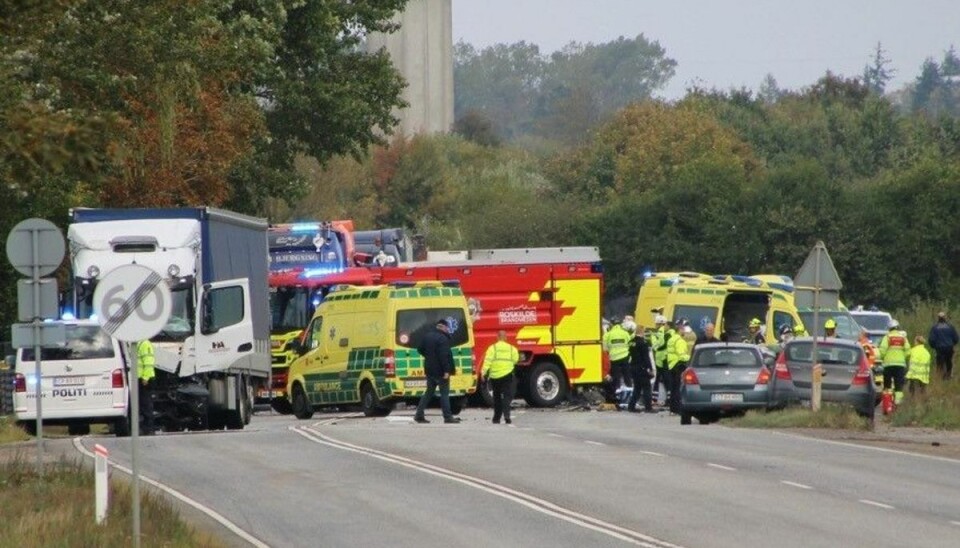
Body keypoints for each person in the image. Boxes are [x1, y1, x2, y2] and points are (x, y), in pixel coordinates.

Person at [414, 318, 460, 424]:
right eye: (447, 328)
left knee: (428, 393)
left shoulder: (427, 336)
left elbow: (419, 349)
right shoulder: (443, 339)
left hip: (430, 370)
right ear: (443, 327)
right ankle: (448, 417)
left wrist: (429, 357)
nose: (448, 330)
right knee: (444, 394)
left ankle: (419, 415)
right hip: (441, 372)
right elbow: (444, 356)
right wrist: (446, 371)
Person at [481, 330, 519, 424]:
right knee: (506, 396)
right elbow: (515, 360)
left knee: (497, 397)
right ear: (506, 338)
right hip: (507, 375)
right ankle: (507, 416)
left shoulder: (492, 348)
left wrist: (483, 373)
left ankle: (496, 418)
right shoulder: (512, 348)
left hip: (495, 376)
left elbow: (487, 361)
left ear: (497, 337)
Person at [879, 319, 910, 405]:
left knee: (887, 386)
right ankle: (897, 403)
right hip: (900, 365)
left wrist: (883, 358)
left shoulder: (887, 337)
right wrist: (902, 358)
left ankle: (887, 404)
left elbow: (882, 350)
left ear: (889, 328)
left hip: (888, 365)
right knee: (899, 386)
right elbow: (908, 351)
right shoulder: (903, 338)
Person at [603, 318, 633, 405]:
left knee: (616, 379)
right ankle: (629, 398)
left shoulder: (608, 335)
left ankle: (617, 398)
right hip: (625, 358)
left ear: (611, 325)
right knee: (627, 378)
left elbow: (605, 349)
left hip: (614, 359)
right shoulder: (625, 333)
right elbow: (629, 344)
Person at [627, 326, 656, 413]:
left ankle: (631, 406)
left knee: (637, 388)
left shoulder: (631, 342)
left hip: (633, 367)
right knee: (647, 387)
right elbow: (646, 357)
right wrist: (650, 368)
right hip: (641, 368)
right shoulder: (643, 343)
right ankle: (648, 407)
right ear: (642, 332)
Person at [666, 320, 689, 414]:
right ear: (680, 329)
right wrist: (690, 359)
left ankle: (672, 408)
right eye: (683, 329)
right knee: (678, 388)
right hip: (678, 365)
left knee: (673, 388)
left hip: (671, 365)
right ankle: (678, 409)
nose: (684, 331)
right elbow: (682, 355)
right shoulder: (680, 341)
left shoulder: (671, 339)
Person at [928, 311, 958, 381]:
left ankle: (941, 377)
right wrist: (952, 344)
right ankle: (948, 375)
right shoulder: (950, 327)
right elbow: (956, 338)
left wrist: (934, 346)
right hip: (949, 347)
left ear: (938, 318)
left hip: (939, 348)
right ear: (945, 318)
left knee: (940, 362)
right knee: (949, 361)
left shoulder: (935, 327)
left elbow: (931, 339)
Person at [136, 339, 157, 435]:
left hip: (144, 380)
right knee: (142, 404)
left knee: (146, 405)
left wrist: (145, 378)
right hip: (139, 379)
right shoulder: (137, 343)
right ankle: (144, 428)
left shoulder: (145, 343)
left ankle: (148, 429)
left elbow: (149, 362)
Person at [651, 315, 669, 406]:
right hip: (667, 359)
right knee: (667, 381)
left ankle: (654, 399)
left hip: (660, 360)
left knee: (658, 380)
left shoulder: (657, 333)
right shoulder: (668, 332)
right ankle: (669, 399)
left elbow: (656, 346)